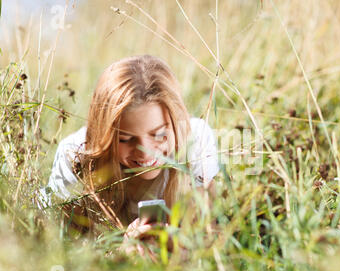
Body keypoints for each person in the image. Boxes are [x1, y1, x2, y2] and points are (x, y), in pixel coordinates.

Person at [38, 55, 219, 259]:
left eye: (159, 135)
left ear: (175, 123)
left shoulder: (195, 144)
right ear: (104, 134)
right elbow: (58, 254)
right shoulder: (75, 156)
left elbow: (212, 246)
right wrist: (120, 256)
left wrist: (179, 249)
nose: (145, 152)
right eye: (125, 139)